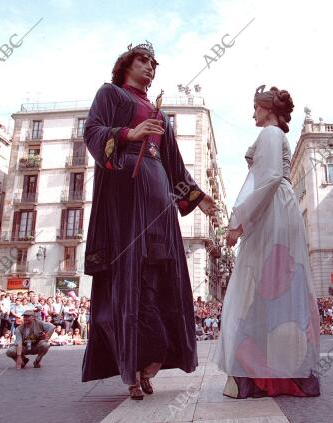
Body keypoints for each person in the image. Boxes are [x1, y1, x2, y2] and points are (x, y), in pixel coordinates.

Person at [81, 42, 216, 400]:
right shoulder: (110, 94)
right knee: (130, 275)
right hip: (127, 189)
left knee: (160, 275)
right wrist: (128, 134)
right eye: (143, 61)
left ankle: (151, 358)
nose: (150, 68)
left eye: (154, 64)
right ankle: (130, 367)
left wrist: (198, 198)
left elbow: (173, 164)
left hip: (158, 196)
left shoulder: (161, 114)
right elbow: (92, 132)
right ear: (126, 64)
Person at [212, 85, 320, 399]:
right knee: (261, 286)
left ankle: (264, 374)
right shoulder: (273, 135)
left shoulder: (271, 134)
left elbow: (269, 177)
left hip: (274, 208)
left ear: (267, 108)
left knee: (260, 284)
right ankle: (263, 372)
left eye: (256, 108)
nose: (253, 114)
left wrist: (239, 221)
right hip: (273, 208)